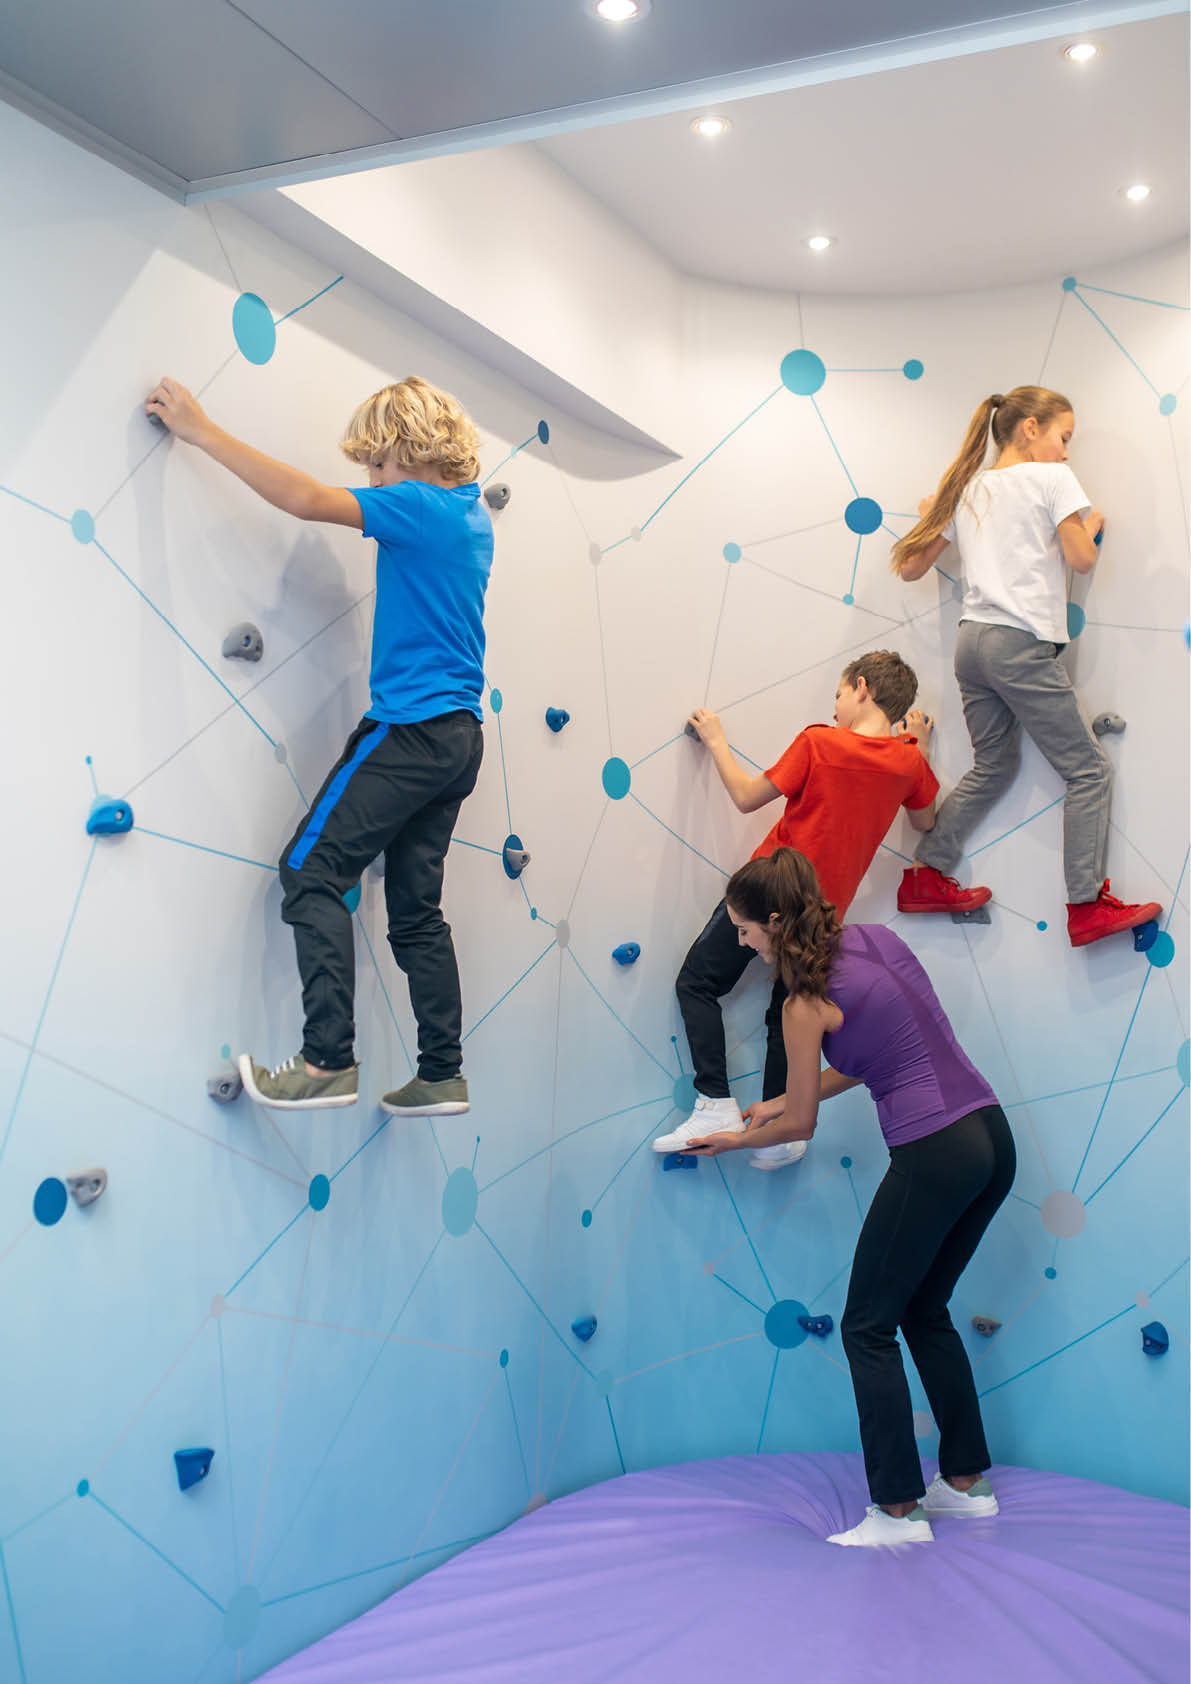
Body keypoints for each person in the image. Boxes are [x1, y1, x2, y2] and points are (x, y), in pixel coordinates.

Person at [144, 374, 492, 1115]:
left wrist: (202, 430)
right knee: (416, 913)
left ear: (409, 450)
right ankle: (441, 1073)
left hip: (410, 727)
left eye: (377, 463)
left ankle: (327, 1060)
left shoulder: (416, 505)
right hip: (459, 738)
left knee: (308, 872)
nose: (370, 479)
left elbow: (304, 498)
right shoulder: (469, 516)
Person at [685, 847, 1016, 1548]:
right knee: (924, 1308)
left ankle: (895, 1511)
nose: (741, 942)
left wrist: (730, 1141)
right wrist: (772, 1100)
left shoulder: (804, 1004)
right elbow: (878, 1057)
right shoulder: (875, 941)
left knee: (865, 1325)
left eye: (744, 930)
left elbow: (804, 1124)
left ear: (773, 922)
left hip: (933, 1151)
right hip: (989, 1136)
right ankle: (965, 1485)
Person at [891, 385, 1161, 947]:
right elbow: (1081, 559)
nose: (1066, 454)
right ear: (1030, 427)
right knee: (1088, 771)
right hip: (1018, 645)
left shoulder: (967, 486)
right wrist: (1093, 524)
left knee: (994, 766)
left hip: (972, 645)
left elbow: (911, 568)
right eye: (1064, 438)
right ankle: (1086, 906)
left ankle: (924, 875)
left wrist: (939, 514)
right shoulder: (1053, 480)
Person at [655, 651, 944, 1171]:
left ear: (861, 688)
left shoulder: (820, 741)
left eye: (837, 695)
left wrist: (717, 740)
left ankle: (714, 1101)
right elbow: (924, 820)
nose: (833, 709)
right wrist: (919, 748)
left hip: (770, 888)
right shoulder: (908, 763)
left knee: (696, 981)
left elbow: (746, 797)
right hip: (822, 913)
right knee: (785, 1015)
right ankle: (776, 1136)